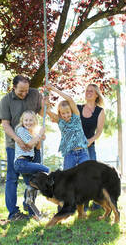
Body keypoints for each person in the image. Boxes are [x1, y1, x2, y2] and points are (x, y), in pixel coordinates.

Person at [0, 75, 43, 221]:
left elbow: (42, 111)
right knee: (12, 178)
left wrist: (47, 104)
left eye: (26, 91)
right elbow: (5, 124)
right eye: (21, 91)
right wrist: (17, 139)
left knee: (35, 178)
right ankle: (13, 213)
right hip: (14, 146)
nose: (24, 94)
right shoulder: (6, 101)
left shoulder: (35, 94)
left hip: (33, 143)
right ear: (14, 87)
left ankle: (30, 207)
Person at [14, 110, 50, 218]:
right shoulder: (21, 130)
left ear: (35, 121)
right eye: (26, 120)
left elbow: (37, 148)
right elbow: (29, 145)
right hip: (21, 163)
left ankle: (30, 211)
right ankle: (53, 175)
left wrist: (40, 137)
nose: (28, 122)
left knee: (32, 187)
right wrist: (39, 135)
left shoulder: (32, 133)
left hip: (28, 162)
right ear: (22, 121)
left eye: (31, 120)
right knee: (44, 169)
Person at [45, 84, 89, 170]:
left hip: (82, 152)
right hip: (69, 154)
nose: (66, 115)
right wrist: (46, 100)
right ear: (60, 113)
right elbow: (47, 111)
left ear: (71, 111)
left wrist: (54, 89)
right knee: (67, 176)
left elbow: (69, 99)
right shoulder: (60, 121)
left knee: (86, 173)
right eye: (63, 113)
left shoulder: (76, 117)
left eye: (68, 112)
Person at [77, 83, 105, 211]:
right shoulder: (77, 107)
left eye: (91, 91)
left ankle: (97, 203)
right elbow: (63, 115)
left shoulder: (100, 111)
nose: (88, 93)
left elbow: (99, 132)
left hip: (89, 147)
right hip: (76, 148)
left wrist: (90, 141)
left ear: (96, 95)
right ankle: (83, 204)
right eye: (87, 90)